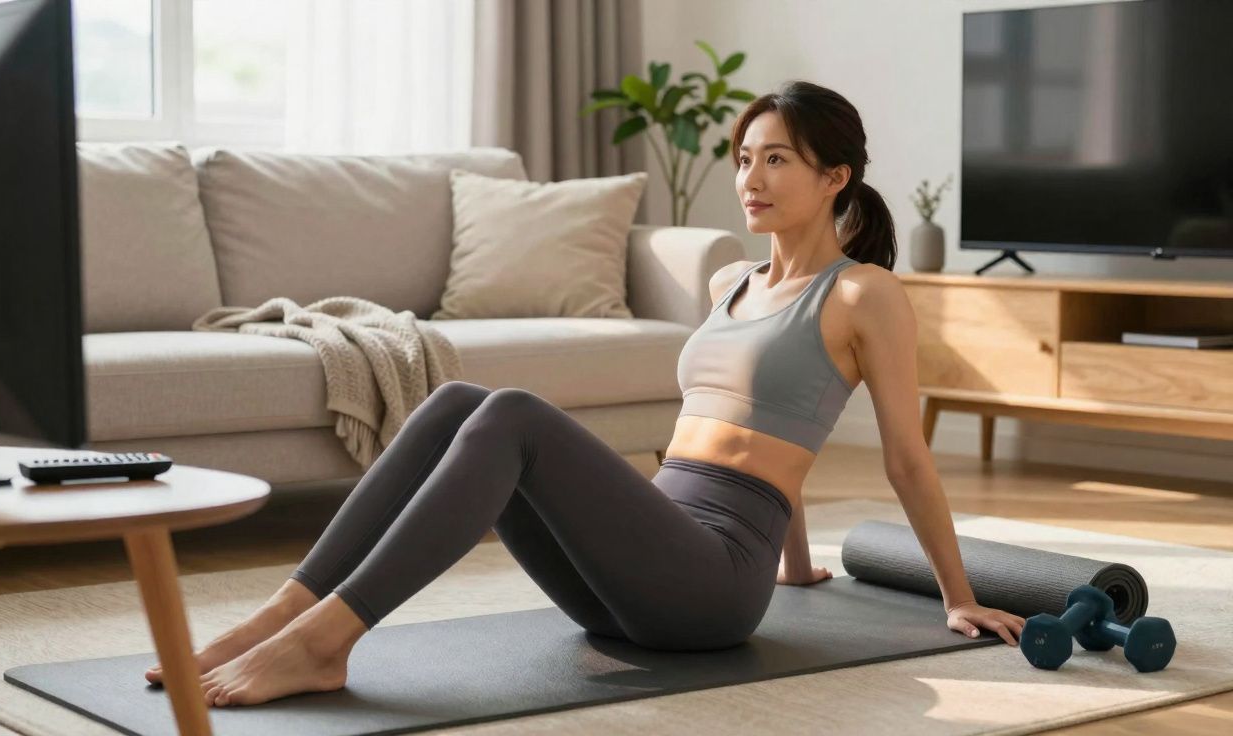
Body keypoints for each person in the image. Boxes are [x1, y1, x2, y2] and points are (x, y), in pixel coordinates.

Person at [145, 80, 1026, 708]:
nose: (750, 179)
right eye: (743, 159)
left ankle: (325, 642)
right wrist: (797, 565)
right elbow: (754, 415)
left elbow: (904, 458)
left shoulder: (865, 294)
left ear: (835, 177)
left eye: (777, 160)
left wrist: (956, 595)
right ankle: (283, 615)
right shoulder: (729, 281)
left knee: (515, 415)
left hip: (708, 590)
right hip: (633, 575)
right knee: (455, 403)